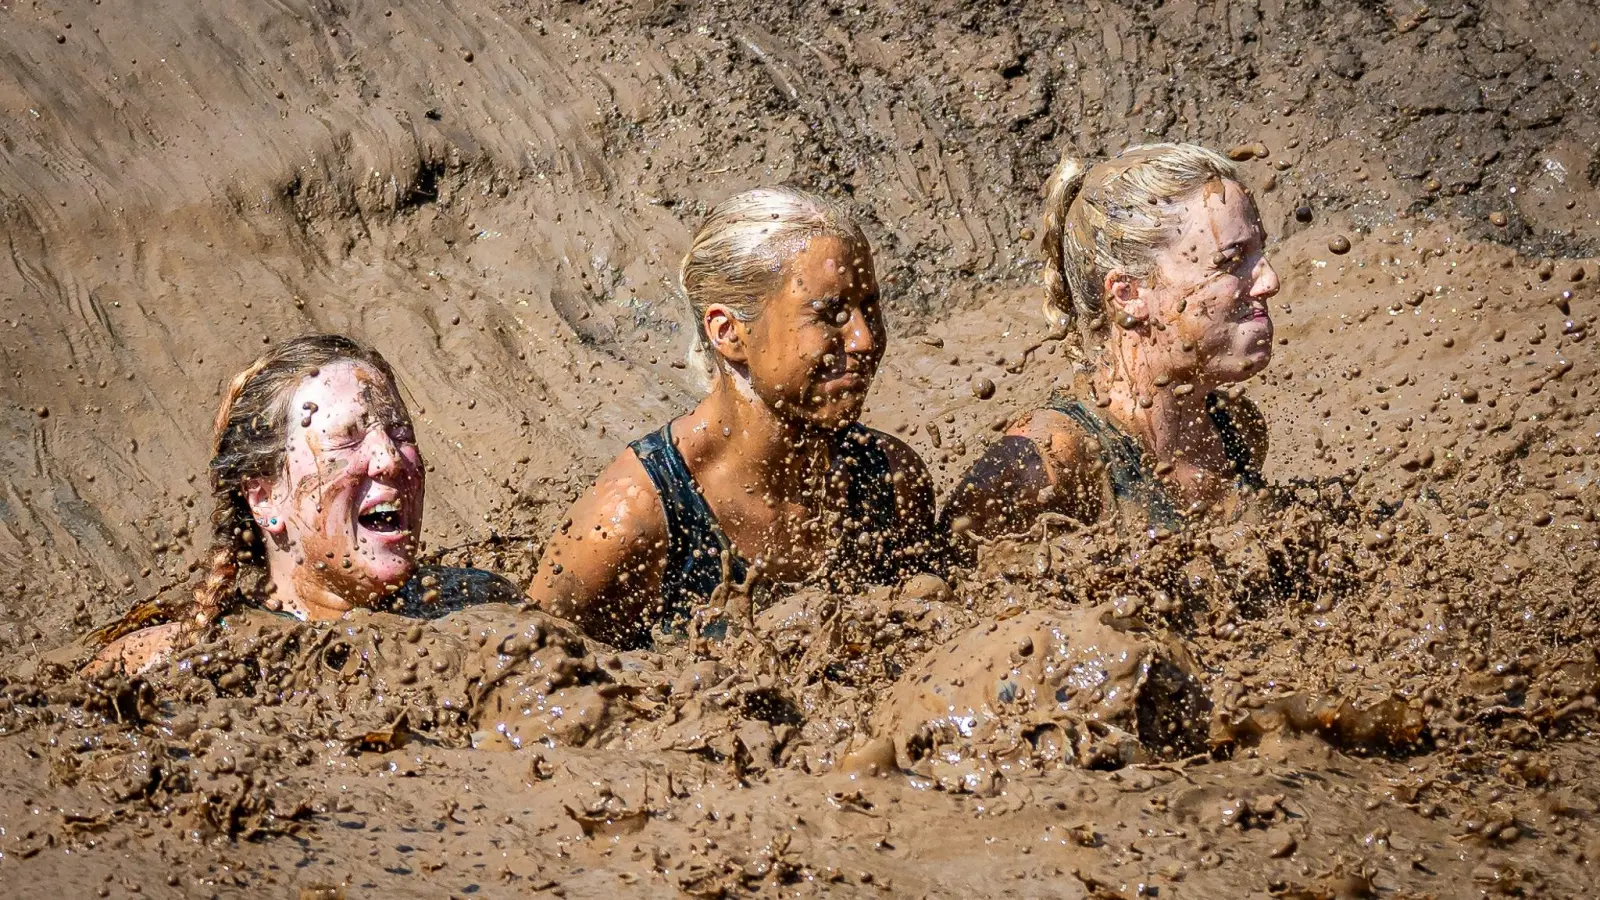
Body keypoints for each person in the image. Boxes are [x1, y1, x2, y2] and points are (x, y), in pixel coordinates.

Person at [529, 187, 942, 649]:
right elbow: (536, 674)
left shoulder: (890, 481)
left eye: (870, 308)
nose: (864, 340)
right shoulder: (631, 521)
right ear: (728, 333)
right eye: (832, 314)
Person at [86, 334, 519, 674]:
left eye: (400, 433)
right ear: (266, 498)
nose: (390, 459)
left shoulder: (478, 603)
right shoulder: (177, 659)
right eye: (346, 438)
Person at [943, 143, 1280, 540]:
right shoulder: (1048, 459)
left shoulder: (1236, 427)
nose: (1270, 281)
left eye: (1260, 253)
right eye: (1230, 260)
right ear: (1127, 294)